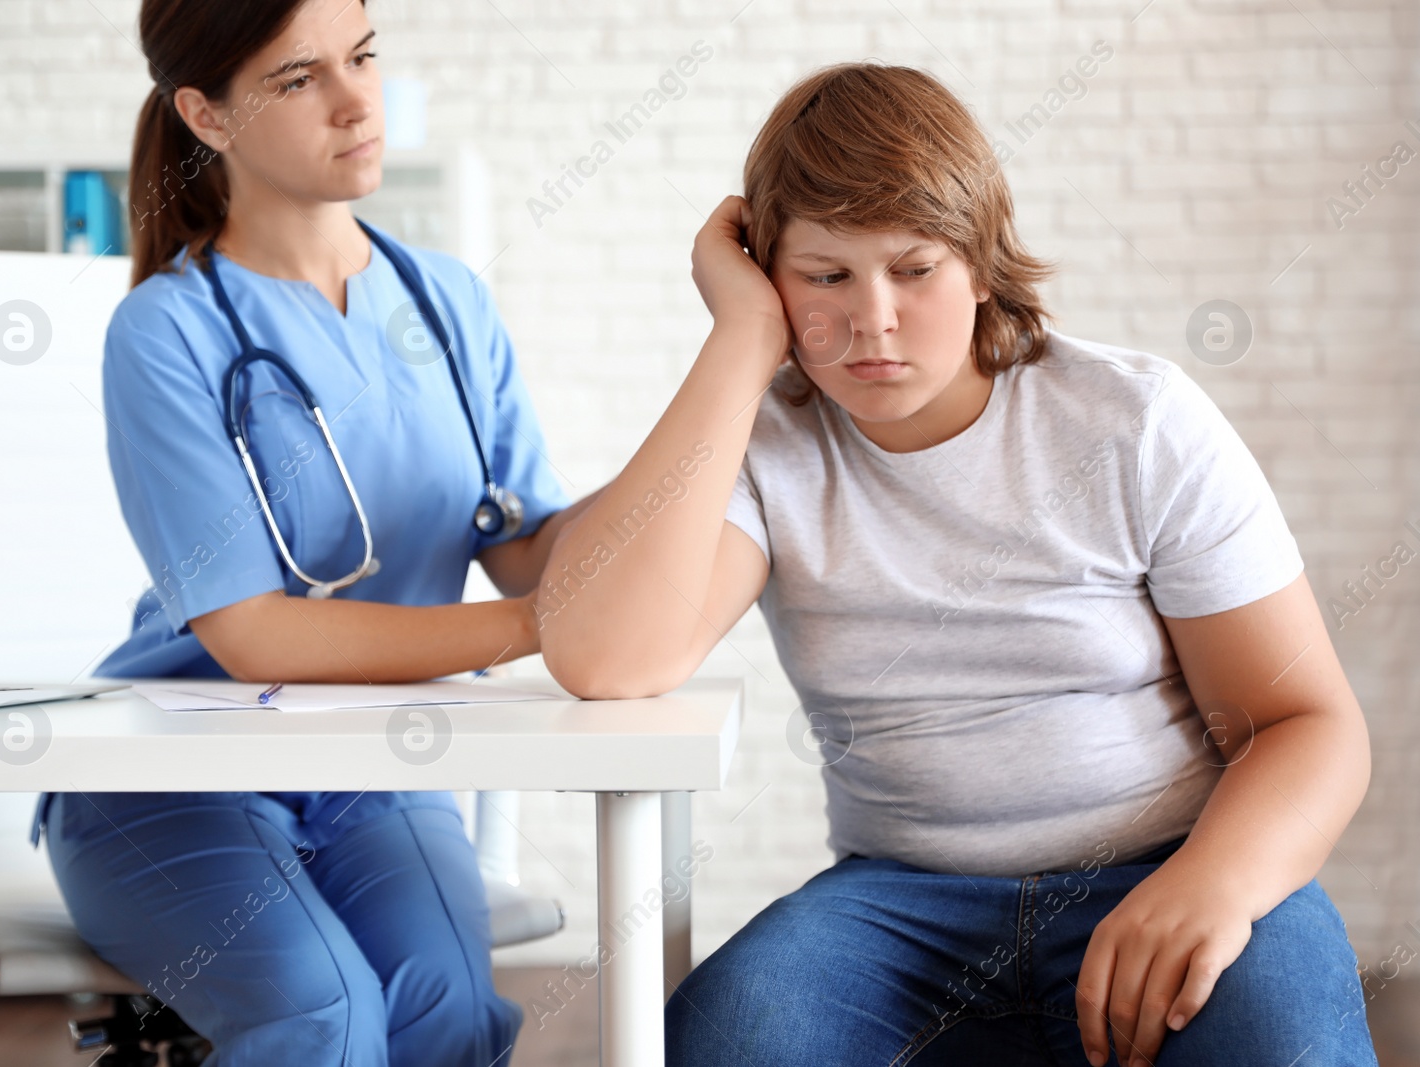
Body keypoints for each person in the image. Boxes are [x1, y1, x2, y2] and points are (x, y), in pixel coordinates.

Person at [536, 62, 1379, 1066]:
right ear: (768, 274)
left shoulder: (1134, 419)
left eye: (914, 267)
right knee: (734, 1030)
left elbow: (1306, 723)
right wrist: (740, 338)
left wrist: (1214, 884)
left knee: (1280, 1040)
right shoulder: (765, 448)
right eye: (824, 275)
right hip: (900, 902)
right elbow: (604, 657)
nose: (872, 320)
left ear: (980, 262)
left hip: (1167, 859)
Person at [30, 1, 596, 1062]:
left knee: (445, 1009)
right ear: (207, 113)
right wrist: (535, 627)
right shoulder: (168, 330)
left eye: (364, 57)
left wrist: (699, 447)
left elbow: (530, 539)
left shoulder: (448, 301)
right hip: (175, 776)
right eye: (299, 79)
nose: (355, 100)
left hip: (371, 768)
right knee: (323, 1009)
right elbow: (255, 632)